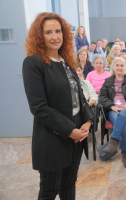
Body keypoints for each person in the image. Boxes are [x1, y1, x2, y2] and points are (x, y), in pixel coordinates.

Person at [23, 12, 93, 199]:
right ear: (40, 36)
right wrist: (70, 130)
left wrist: (87, 121)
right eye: (48, 32)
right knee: (49, 191)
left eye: (58, 31)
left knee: (69, 185)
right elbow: (39, 107)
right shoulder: (33, 63)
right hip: (53, 138)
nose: (54, 36)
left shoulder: (67, 62)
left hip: (77, 134)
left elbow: (79, 96)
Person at [99, 57, 126, 169]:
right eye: (117, 65)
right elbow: (102, 97)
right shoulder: (108, 81)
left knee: (123, 114)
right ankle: (125, 153)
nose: (119, 67)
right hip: (114, 110)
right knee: (122, 122)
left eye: (122, 65)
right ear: (113, 67)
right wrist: (111, 106)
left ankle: (113, 141)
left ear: (125, 67)